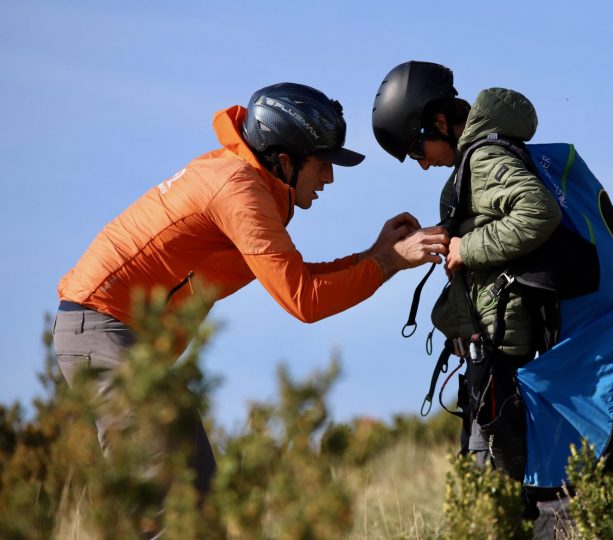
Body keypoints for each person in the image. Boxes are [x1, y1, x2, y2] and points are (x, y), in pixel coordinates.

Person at [53, 82, 449, 499]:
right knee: (164, 506)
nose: (330, 177)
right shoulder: (239, 191)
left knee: (198, 500)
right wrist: (389, 262)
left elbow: (297, 277)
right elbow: (304, 300)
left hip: (112, 334)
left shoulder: (245, 182)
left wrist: (375, 255)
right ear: (283, 160)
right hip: (102, 330)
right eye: (322, 163)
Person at [373, 61, 561, 482]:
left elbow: (537, 211)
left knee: (492, 493)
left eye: (417, 149)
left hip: (506, 361)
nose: (422, 164)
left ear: (439, 122)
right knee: (490, 488)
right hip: (497, 355)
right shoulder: (481, 158)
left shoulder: (483, 157)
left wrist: (468, 246)